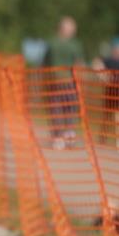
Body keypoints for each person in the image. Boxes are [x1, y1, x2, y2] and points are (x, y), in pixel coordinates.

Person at [43, 16, 85, 149]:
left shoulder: (51, 43)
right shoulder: (75, 45)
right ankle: (68, 134)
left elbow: (44, 63)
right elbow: (79, 64)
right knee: (70, 108)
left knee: (56, 109)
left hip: (54, 81)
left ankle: (58, 137)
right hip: (70, 81)